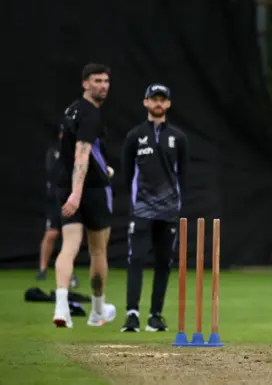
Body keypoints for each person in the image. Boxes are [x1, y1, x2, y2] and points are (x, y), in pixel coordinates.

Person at [120, 84, 189, 332]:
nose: (158, 103)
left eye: (162, 100)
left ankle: (155, 316)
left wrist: (179, 205)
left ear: (168, 104)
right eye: (153, 99)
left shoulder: (178, 138)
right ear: (146, 102)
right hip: (141, 209)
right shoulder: (134, 136)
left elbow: (184, 175)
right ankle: (132, 315)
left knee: (163, 262)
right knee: (136, 259)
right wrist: (135, 202)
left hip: (169, 210)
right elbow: (127, 174)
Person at [52, 63, 117, 328]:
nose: (103, 85)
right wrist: (78, 194)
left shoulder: (72, 110)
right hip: (88, 191)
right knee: (98, 250)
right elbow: (82, 153)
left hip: (65, 186)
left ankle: (61, 308)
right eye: (97, 81)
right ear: (85, 84)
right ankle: (98, 311)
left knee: (68, 247)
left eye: (106, 81)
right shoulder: (90, 114)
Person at [36, 128, 79, 288]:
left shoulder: (77, 152)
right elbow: (53, 172)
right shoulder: (53, 152)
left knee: (71, 237)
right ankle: (42, 268)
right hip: (55, 200)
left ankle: (70, 273)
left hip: (71, 200)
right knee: (52, 234)